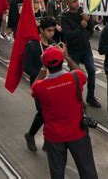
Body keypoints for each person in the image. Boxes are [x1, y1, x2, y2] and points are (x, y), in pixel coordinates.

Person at [32, 46, 98, 179]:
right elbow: (82, 73)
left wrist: (43, 68)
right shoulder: (76, 77)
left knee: (57, 173)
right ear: (62, 61)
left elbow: (34, 87)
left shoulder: (40, 87)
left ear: (46, 65)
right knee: (87, 170)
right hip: (78, 133)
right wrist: (67, 57)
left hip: (54, 136)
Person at [23, 17, 58, 151]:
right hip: (39, 84)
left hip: (53, 82)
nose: (51, 33)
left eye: (53, 31)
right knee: (43, 112)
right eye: (49, 31)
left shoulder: (53, 44)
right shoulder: (33, 45)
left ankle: (47, 140)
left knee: (51, 113)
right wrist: (41, 73)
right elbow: (27, 67)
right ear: (41, 30)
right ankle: (30, 135)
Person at [60, 0, 100, 108]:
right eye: (73, 1)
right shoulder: (64, 17)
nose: (76, 3)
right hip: (73, 50)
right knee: (75, 76)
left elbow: (91, 31)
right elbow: (68, 35)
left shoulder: (84, 12)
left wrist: (86, 27)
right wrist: (81, 27)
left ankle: (91, 97)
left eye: (77, 0)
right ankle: (77, 98)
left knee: (92, 71)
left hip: (86, 48)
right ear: (67, 3)